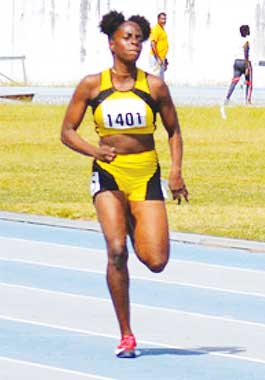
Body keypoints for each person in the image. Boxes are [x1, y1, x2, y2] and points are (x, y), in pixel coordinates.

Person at [59, 10, 188, 358]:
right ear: (111, 43)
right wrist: (95, 150)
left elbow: (173, 131)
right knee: (117, 251)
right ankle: (127, 334)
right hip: (109, 176)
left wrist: (175, 172)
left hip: (146, 173)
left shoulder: (155, 86)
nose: (134, 44)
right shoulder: (92, 85)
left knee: (156, 260)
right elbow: (67, 132)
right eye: (127, 38)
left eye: (138, 39)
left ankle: (133, 220)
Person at [221, 24, 252, 119]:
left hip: (236, 62)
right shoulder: (246, 41)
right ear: (246, 31)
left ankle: (227, 98)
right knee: (249, 83)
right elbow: (246, 53)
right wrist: (247, 66)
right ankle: (248, 100)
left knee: (234, 82)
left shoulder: (237, 41)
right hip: (244, 62)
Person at [149, 12, 169, 79]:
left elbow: (162, 44)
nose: (164, 21)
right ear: (158, 19)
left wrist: (165, 59)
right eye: (162, 19)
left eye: (165, 19)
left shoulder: (162, 29)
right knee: (156, 78)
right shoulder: (156, 29)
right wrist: (158, 58)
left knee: (160, 79)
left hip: (161, 57)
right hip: (156, 57)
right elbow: (152, 44)